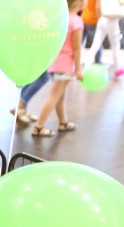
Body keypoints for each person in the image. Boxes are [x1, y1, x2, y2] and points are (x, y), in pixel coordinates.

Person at [31, 0, 85, 137]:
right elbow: (77, 48)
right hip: (65, 65)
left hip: (55, 63)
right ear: (78, 3)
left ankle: (63, 122)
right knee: (54, 96)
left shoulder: (59, 18)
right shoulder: (76, 21)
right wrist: (78, 69)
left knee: (60, 96)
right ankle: (38, 127)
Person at [86, 0, 124, 78]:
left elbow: (97, 6)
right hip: (112, 21)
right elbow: (122, 2)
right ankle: (117, 68)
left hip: (102, 19)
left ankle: (86, 67)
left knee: (95, 45)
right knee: (115, 46)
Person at [81, 0, 104, 65]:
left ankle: (75, 64)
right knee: (97, 43)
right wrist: (100, 20)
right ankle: (98, 62)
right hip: (93, 20)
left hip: (84, 18)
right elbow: (98, 7)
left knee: (80, 43)